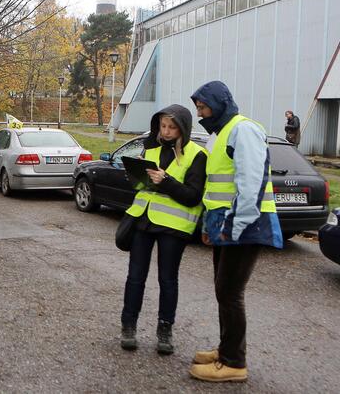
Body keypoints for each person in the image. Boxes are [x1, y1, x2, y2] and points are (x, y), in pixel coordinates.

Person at [189, 81, 282, 383]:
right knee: (223, 291)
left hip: (243, 225)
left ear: (218, 104)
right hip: (225, 226)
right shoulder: (221, 134)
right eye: (198, 108)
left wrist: (235, 228)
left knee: (230, 292)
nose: (200, 113)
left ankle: (234, 363)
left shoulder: (244, 130)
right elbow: (216, 187)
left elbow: (250, 183)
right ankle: (226, 349)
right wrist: (208, 227)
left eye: (203, 107)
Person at [120, 105, 207, 355]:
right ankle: (128, 326)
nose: (166, 132)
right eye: (162, 126)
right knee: (135, 277)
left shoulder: (197, 155)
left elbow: (193, 196)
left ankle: (165, 330)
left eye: (171, 127)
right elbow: (140, 187)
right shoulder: (150, 148)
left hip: (173, 226)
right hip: (143, 220)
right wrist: (134, 174)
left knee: (167, 280)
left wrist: (166, 181)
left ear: (183, 128)